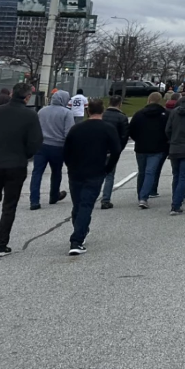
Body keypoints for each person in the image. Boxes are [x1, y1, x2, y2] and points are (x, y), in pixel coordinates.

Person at [0, 83, 43, 258]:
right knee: (9, 206)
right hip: (16, 165)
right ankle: (0, 244)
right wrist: (25, 154)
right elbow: (36, 141)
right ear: (27, 97)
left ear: (12, 94)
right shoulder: (30, 115)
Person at [63, 99, 123, 255]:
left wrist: (69, 165)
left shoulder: (76, 129)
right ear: (102, 111)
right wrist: (108, 167)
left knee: (78, 204)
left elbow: (66, 149)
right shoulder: (108, 129)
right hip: (95, 170)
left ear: (88, 111)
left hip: (76, 170)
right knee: (86, 205)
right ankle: (77, 239)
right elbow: (116, 150)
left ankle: (80, 230)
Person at [30, 90, 74, 210]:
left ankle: (34, 200)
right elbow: (69, 133)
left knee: (37, 173)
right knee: (56, 172)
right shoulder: (67, 113)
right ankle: (54, 196)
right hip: (58, 147)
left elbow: (36, 128)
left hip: (41, 145)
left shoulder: (42, 111)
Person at [129, 92, 169, 208]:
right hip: (158, 147)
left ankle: (140, 195)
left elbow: (131, 130)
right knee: (150, 172)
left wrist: (138, 139)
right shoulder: (165, 114)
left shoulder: (139, 114)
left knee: (141, 171)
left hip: (141, 147)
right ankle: (144, 197)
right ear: (160, 100)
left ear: (148, 100)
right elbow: (168, 130)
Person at [99, 95, 130, 209]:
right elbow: (124, 136)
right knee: (110, 175)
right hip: (112, 150)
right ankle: (105, 200)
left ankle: (91, 196)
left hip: (99, 149)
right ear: (120, 104)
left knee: (96, 174)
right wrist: (118, 150)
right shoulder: (122, 118)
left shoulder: (101, 115)